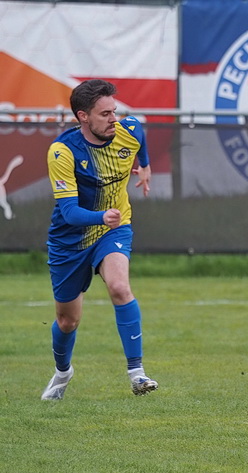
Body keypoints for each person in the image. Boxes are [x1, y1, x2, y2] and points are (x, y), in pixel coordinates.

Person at [41, 79, 158, 400]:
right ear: (83, 117)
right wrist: (100, 216)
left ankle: (137, 373)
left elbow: (139, 137)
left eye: (115, 111)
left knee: (120, 287)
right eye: (105, 114)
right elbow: (68, 211)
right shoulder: (63, 152)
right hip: (71, 239)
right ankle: (63, 372)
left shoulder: (128, 129)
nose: (114, 119)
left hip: (114, 228)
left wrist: (145, 166)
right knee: (67, 321)